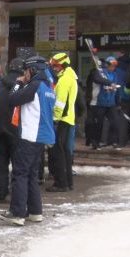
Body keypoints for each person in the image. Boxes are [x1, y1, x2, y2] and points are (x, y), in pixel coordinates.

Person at [0, 56, 56, 226]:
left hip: (30, 134)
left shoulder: (35, 86)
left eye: (26, 72)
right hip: (42, 135)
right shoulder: (48, 87)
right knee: (31, 174)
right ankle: (35, 211)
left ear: (32, 70)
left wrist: (18, 83)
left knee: (20, 174)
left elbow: (12, 99)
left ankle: (17, 212)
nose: (24, 75)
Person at [0, 57, 24, 203]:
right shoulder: (23, 85)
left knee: (0, 163)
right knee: (18, 164)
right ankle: (17, 194)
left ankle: (1, 193)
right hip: (15, 129)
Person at [47, 52, 78, 192]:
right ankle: (68, 182)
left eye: (56, 65)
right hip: (68, 118)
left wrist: (55, 118)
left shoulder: (65, 79)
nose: (54, 68)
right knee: (65, 152)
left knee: (58, 152)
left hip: (61, 120)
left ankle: (61, 183)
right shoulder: (70, 77)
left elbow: (60, 103)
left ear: (63, 65)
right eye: (53, 65)